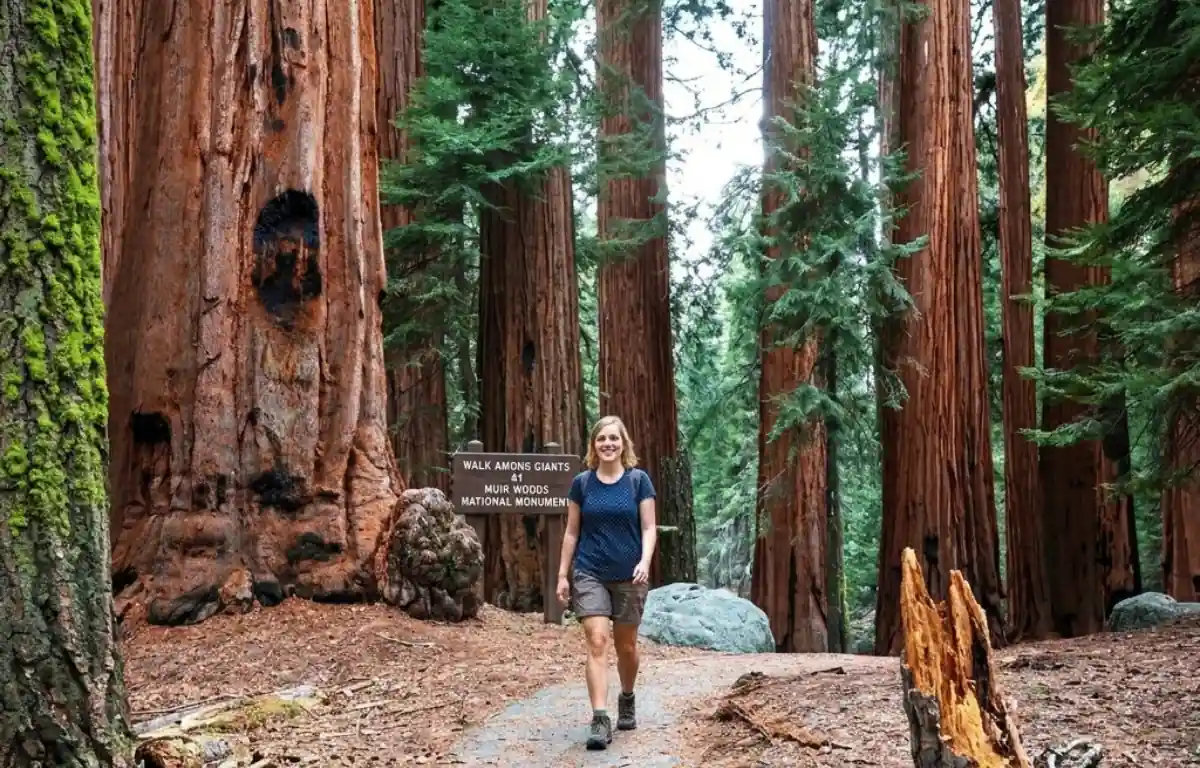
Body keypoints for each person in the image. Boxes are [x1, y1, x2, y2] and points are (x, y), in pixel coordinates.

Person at [556, 415, 657, 750]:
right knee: (597, 641)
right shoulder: (582, 484)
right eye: (602, 439)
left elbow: (648, 528)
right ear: (594, 445)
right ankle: (600, 718)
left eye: (614, 439)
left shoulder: (637, 481)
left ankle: (626, 696)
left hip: (630, 574)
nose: (608, 444)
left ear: (623, 443)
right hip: (590, 572)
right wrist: (562, 575)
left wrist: (644, 560)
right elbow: (571, 532)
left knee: (626, 646)